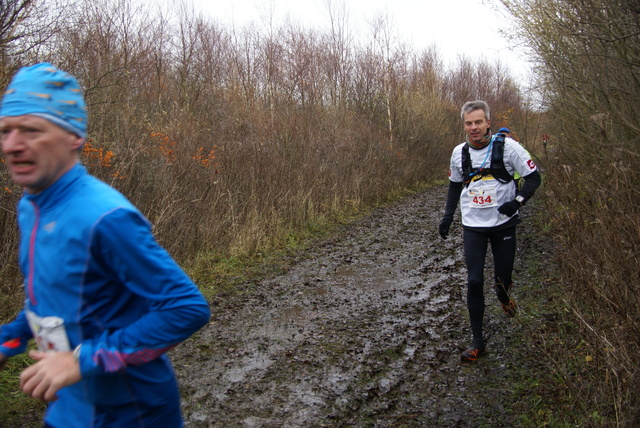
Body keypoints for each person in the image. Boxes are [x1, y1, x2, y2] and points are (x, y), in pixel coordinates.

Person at [0, 63, 211, 427]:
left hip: (131, 413)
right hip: (68, 410)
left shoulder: (104, 217)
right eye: (5, 130)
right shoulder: (30, 206)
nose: (13, 145)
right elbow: (53, 303)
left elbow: (187, 308)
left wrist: (80, 360)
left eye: (32, 130)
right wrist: (9, 339)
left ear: (74, 137)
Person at [438, 100, 541, 362]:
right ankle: (477, 341)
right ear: (464, 125)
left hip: (503, 225)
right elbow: (453, 186)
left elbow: (533, 177)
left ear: (488, 123)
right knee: (473, 281)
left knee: (501, 281)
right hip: (473, 226)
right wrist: (448, 217)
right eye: (469, 123)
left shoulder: (508, 148)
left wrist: (516, 202)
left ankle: (505, 299)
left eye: (478, 122)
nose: (473, 127)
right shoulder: (459, 152)